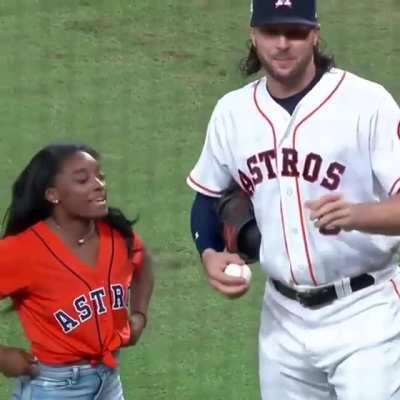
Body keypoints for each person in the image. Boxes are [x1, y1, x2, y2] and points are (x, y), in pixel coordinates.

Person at [187, 0, 400, 398]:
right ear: (253, 36)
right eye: (271, 32)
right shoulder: (232, 114)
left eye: (296, 32)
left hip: (366, 313)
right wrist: (210, 253)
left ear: (315, 34)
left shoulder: (367, 104)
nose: (282, 44)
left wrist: (358, 214)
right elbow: (207, 200)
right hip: (282, 319)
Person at [0, 142, 154, 399]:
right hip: (52, 388)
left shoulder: (117, 236)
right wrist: (2, 357)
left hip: (109, 383)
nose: (99, 185)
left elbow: (144, 262)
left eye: (100, 177)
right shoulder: (22, 251)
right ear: (53, 195)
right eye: (83, 180)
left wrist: (139, 317)